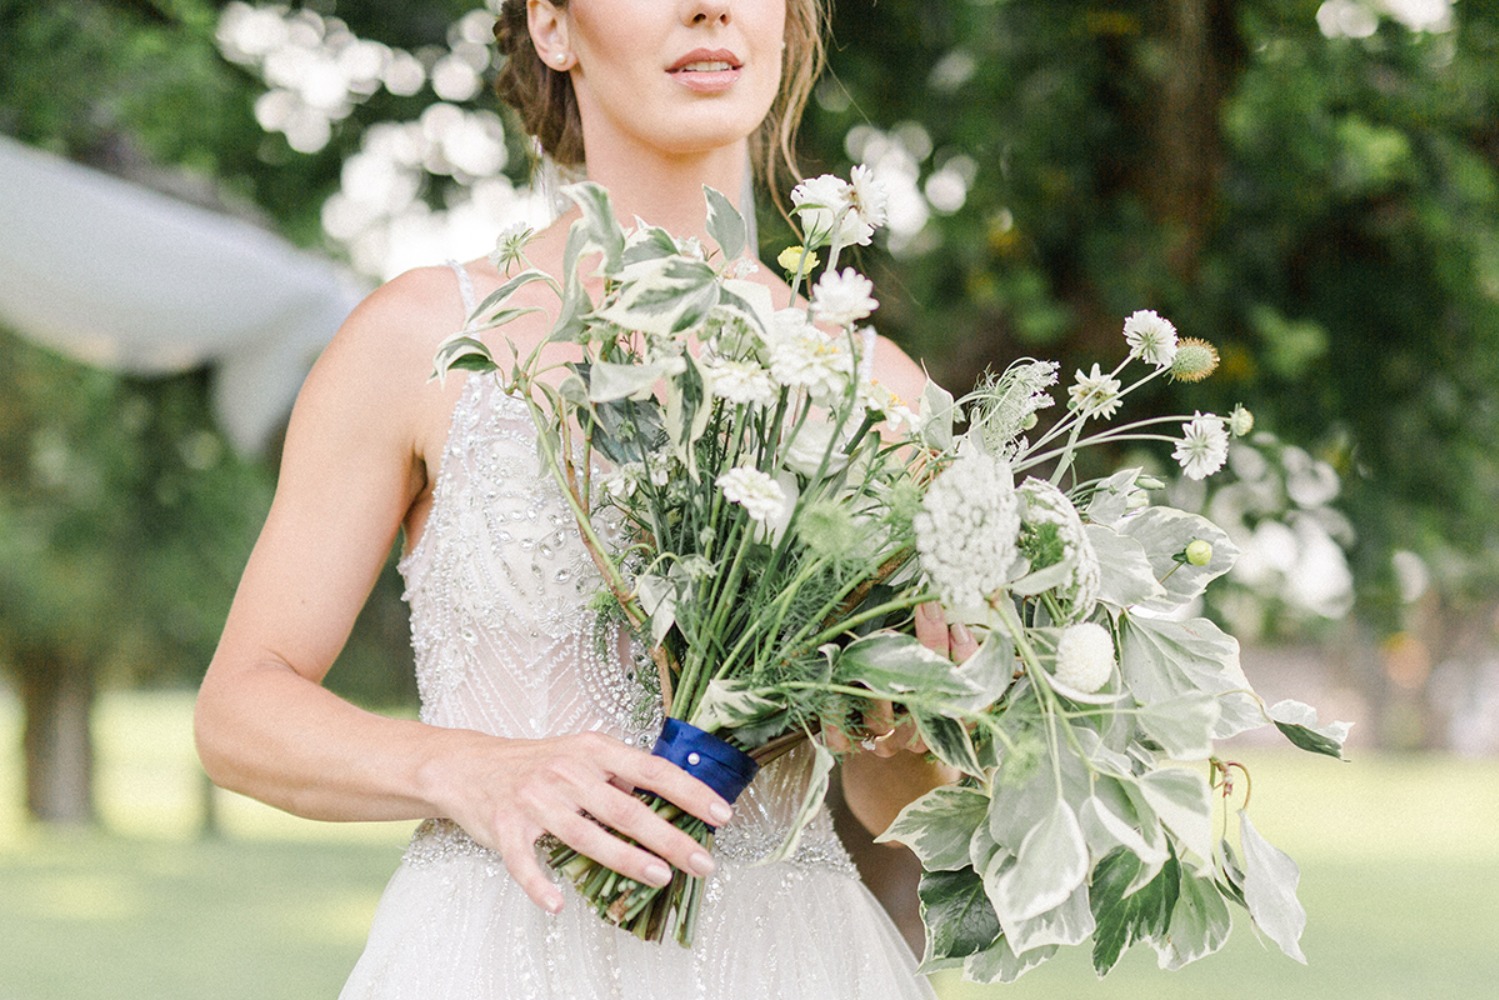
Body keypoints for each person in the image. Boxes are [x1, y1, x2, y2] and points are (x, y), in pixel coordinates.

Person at [194, 1, 977, 996]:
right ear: (554, 29)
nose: (709, 7)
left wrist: (911, 718)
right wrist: (472, 771)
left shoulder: (881, 392)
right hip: (497, 955)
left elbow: (890, 797)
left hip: (788, 962)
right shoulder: (423, 338)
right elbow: (238, 711)